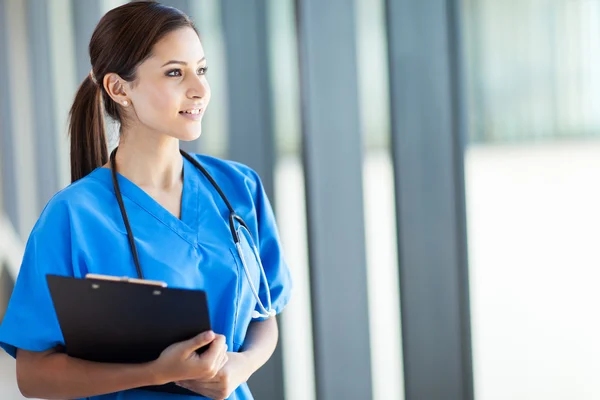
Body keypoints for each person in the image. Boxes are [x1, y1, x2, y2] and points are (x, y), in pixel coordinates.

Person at [0, 1, 292, 399]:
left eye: (201, 70)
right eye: (175, 72)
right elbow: (32, 376)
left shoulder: (239, 187)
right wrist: (154, 372)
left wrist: (241, 365)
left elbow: (265, 313)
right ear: (119, 89)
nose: (200, 89)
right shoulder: (74, 216)